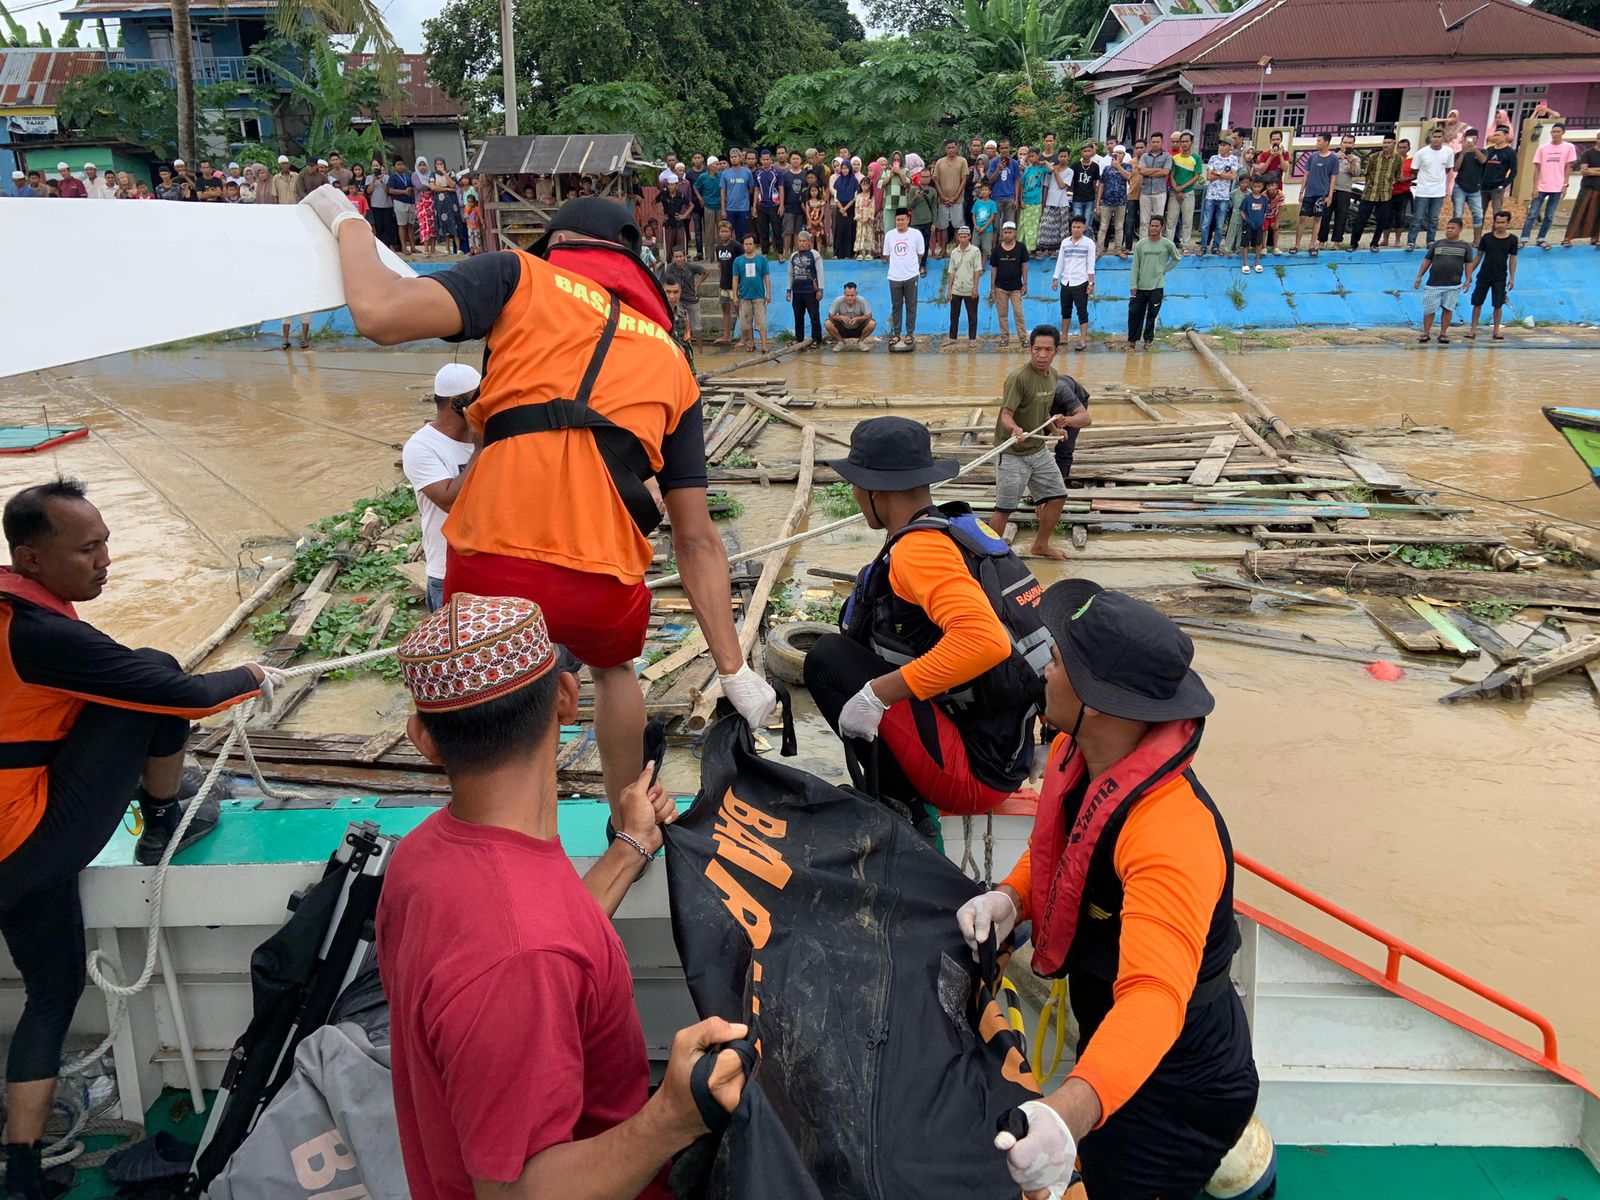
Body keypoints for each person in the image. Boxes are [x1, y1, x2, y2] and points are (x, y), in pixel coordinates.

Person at [303, 188, 776, 807]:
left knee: (502, 696)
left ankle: (506, 829)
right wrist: (734, 669)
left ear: (555, 248)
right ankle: (625, 818)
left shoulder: (518, 276)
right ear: (635, 264)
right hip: (603, 583)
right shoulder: (674, 360)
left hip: (490, 562)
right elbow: (695, 537)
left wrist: (347, 220)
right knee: (613, 672)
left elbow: (379, 314)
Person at [380, 594, 749, 1200]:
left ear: (423, 737)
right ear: (567, 699)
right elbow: (515, 1192)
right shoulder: (522, 957)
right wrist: (673, 1116)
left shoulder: (421, 858)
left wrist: (630, 846)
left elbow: (541, 934)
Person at [0, 482, 275, 1200]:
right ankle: (161, 818)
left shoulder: (12, 614)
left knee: (54, 991)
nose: (106, 561)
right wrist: (252, 675)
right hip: (24, 841)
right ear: (29, 557)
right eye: (88, 549)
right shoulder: (40, 633)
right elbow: (186, 699)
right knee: (155, 668)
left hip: (17, 842)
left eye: (107, 542)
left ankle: (22, 1171)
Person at [961, 579, 1258, 1200]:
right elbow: (1066, 859)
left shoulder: (1171, 834)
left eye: (1063, 659)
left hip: (1179, 1083)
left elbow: (1153, 998)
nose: (1045, 665)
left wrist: (1067, 1112)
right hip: (1111, 1043)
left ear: (1101, 701)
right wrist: (1012, 899)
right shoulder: (1079, 754)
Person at [803, 416, 1049, 834]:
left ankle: (906, 811)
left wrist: (876, 695)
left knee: (828, 658)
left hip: (973, 774)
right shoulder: (965, 532)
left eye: (855, 484)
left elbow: (986, 641)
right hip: (1009, 750)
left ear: (874, 489)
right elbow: (1039, 634)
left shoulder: (917, 551)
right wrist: (1052, 739)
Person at [988, 326, 1074, 561]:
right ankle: (989, 557)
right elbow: (1005, 414)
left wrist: (1054, 429)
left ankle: (1041, 545)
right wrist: (1014, 429)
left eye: (1047, 349)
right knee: (1004, 508)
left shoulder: (1053, 376)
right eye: (1037, 349)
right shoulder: (1018, 378)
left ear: (1056, 351)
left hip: (1037, 450)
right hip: (1012, 451)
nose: (1042, 355)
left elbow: (1044, 410)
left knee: (1058, 496)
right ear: (1030, 349)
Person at [403, 363, 481, 611]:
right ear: (457, 403)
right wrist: (480, 448)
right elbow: (449, 501)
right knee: (455, 648)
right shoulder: (422, 447)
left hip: (490, 564)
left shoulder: (488, 436)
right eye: (478, 398)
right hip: (448, 572)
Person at [1414, 217, 1474, 344]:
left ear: (1460, 230)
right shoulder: (1437, 244)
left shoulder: (1465, 246)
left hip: (1453, 284)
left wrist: (1468, 279)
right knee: (1429, 309)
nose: (1449, 230)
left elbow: (1468, 263)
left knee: (1448, 309)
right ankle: (1426, 333)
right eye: (1448, 228)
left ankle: (1443, 333)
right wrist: (1419, 276)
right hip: (1433, 284)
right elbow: (1427, 261)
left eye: (1453, 228)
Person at [1128, 217, 1180, 351]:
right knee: (1134, 313)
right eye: (1152, 226)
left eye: (1156, 226)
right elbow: (1135, 266)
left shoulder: (1167, 244)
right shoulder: (1141, 244)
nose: (1153, 228)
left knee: (1152, 315)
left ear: (1161, 227)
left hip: (1157, 286)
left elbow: (1176, 259)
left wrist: (1164, 270)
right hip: (1140, 286)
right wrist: (1133, 284)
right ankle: (1132, 341)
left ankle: (1148, 341)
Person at [1466, 209, 1518, 340]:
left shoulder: (1512, 240)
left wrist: (1512, 278)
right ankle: (1473, 329)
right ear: (1494, 223)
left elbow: (1512, 259)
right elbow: (1478, 256)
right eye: (1497, 222)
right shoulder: (1487, 238)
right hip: (1484, 275)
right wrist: (1469, 273)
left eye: (1503, 222)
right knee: (1477, 302)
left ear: (1508, 223)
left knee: (1498, 304)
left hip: (1500, 276)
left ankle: (1496, 330)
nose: (1500, 225)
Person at [1524, 125, 1577, 247]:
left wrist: (1565, 184)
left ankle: (1541, 238)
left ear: (1563, 133)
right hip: (1542, 185)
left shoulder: (1569, 147)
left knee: (1549, 215)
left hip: (1557, 186)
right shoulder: (1543, 148)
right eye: (1553, 131)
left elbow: (1568, 167)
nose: (1555, 134)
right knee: (1532, 213)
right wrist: (1535, 186)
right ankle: (1524, 238)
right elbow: (1537, 168)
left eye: (1558, 131)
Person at [1050, 215, 1095, 351]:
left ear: (1084, 228)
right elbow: (1060, 261)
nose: (1076, 230)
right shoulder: (1065, 242)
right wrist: (1055, 278)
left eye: (1079, 227)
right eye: (1074, 227)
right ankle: (1064, 337)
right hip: (1066, 281)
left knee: (1082, 311)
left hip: (1081, 281)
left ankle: (1082, 339)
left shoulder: (1089, 244)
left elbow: (1090, 264)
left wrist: (1091, 283)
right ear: (1071, 228)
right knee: (1065, 310)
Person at [883, 208, 925, 348]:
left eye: (902, 220)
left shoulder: (916, 234)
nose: (900, 222)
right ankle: (896, 333)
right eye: (898, 220)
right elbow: (887, 256)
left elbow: (920, 254)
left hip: (911, 275)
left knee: (911, 306)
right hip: (894, 276)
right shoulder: (889, 235)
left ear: (908, 220)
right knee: (896, 306)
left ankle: (910, 333)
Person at [1352, 135, 1403, 251]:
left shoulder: (1398, 159)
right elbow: (1367, 173)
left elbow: (1397, 176)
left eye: (1388, 142)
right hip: (1370, 193)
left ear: (1394, 143)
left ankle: (1374, 243)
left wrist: (1389, 185)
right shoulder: (1374, 157)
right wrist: (1368, 186)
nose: (1385, 145)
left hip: (1385, 195)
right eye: (1384, 142)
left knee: (1381, 221)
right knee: (1361, 219)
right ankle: (1353, 243)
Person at [1408, 127, 1453, 250]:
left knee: (1433, 218)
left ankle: (1430, 241)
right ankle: (1411, 241)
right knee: (1418, 217)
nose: (1436, 139)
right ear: (1430, 138)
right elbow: (1414, 169)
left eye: (1439, 137)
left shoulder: (1448, 152)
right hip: (1423, 190)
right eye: (1434, 136)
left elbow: (1448, 169)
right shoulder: (1422, 152)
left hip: (1438, 191)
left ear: (1443, 138)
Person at [1293, 134, 1338, 254]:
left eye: (1319, 141)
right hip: (1309, 193)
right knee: (1302, 218)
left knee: (1318, 219)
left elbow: (1333, 178)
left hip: (1321, 194)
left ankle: (1312, 245)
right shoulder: (1312, 156)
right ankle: (1297, 245)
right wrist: (1301, 191)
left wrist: (1330, 196)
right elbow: (1306, 174)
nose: (1317, 143)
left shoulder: (1333, 158)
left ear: (1326, 142)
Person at [988, 220, 1029, 348]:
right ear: (1002, 233)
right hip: (1000, 287)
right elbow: (994, 268)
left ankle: (1023, 338)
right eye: (1005, 232)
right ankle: (1004, 338)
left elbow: (1024, 266)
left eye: (1010, 232)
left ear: (1015, 233)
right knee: (1002, 314)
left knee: (1018, 313)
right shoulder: (997, 249)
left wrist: (1025, 284)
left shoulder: (1021, 248)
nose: (1007, 235)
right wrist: (992, 286)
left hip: (1016, 287)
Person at [942, 225, 984, 345]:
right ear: (957, 237)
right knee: (954, 315)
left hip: (970, 288)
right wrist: (949, 289)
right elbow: (952, 271)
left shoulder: (975, 251)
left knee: (972, 315)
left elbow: (977, 270)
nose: (963, 239)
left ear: (969, 237)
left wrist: (975, 288)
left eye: (965, 236)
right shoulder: (954, 252)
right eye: (961, 236)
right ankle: (952, 337)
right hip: (956, 289)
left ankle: (972, 339)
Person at [1198, 135, 1239, 256]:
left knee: (1220, 225)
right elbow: (1209, 176)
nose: (1221, 147)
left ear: (1230, 147)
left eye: (1224, 145)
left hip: (1224, 197)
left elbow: (1233, 176)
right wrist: (1223, 174)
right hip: (1211, 195)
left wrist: (1218, 172)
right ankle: (1203, 246)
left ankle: (1216, 247)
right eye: (1220, 144)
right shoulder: (1213, 158)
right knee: (1206, 223)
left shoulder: (1233, 160)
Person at [1049, 373, 1092, 486]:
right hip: (1051, 409)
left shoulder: (1061, 390)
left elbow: (1086, 419)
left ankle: (1058, 486)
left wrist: (1066, 421)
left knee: (1064, 445)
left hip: (1075, 407)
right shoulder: (1029, 392)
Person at [732, 233, 771, 354]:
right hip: (744, 296)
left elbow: (766, 277)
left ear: (754, 245)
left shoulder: (761, 259)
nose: (748, 246)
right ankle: (752, 343)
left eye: (750, 244)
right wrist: (735, 295)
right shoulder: (738, 261)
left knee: (761, 322)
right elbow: (735, 279)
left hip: (759, 296)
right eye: (746, 244)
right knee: (746, 322)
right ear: (743, 245)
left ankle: (764, 345)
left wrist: (768, 293)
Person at [658, 246, 706, 344]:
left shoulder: (691, 267)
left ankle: (701, 351)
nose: (679, 259)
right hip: (678, 300)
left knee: (697, 327)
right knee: (678, 324)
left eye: (680, 256)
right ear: (673, 257)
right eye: (676, 256)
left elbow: (705, 271)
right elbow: (667, 282)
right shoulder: (670, 268)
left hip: (692, 299)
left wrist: (698, 283)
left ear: (684, 256)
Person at [786, 229, 826, 347]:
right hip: (797, 291)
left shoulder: (815, 254)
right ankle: (799, 338)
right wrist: (789, 291)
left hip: (810, 292)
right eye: (799, 241)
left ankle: (817, 339)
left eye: (804, 241)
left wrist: (820, 289)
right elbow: (789, 274)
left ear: (809, 242)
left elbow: (820, 273)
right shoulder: (793, 256)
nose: (802, 243)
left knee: (814, 316)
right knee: (798, 316)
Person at [932, 139, 969, 258]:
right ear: (945, 149)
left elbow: (964, 180)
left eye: (953, 147)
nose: (951, 150)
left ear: (956, 148)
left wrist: (955, 196)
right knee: (943, 227)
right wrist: (942, 196)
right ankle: (943, 250)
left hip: (957, 200)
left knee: (957, 227)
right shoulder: (940, 162)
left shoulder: (962, 161)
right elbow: (936, 180)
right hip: (942, 201)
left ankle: (957, 250)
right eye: (949, 148)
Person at [1321, 134, 1359, 248]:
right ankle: (1321, 241)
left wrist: (1351, 162)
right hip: (1329, 190)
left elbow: (1356, 173)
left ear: (1353, 145)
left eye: (1350, 143)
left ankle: (1336, 242)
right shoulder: (1332, 156)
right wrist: (1337, 158)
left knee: (1341, 216)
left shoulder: (1356, 158)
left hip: (1344, 190)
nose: (1347, 145)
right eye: (1345, 142)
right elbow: (1324, 170)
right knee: (1325, 216)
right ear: (1341, 143)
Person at [1561, 138, 1600, 247]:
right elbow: (1584, 171)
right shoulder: (1588, 153)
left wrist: (1592, 170)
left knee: (1597, 215)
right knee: (1579, 212)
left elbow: (1588, 170)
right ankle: (1568, 238)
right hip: (1588, 187)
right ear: (1597, 139)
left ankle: (1595, 238)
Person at [1167, 133, 1202, 245]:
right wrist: (1176, 189)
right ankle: (1169, 245)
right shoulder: (1175, 158)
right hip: (1174, 193)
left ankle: (1185, 245)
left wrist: (1181, 188)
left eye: (1187, 141)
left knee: (1187, 221)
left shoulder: (1196, 158)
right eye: (1182, 141)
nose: (1184, 144)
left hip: (1188, 193)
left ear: (1192, 142)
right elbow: (1171, 175)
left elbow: (1196, 176)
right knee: (1171, 221)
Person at [710, 219, 741, 346]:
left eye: (726, 231)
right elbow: (720, 266)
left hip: (735, 285)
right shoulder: (718, 248)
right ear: (719, 233)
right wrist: (720, 281)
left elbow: (742, 264)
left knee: (739, 310)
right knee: (725, 309)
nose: (724, 233)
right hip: (723, 285)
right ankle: (726, 335)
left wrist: (739, 284)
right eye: (722, 231)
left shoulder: (737, 246)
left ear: (731, 233)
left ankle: (745, 337)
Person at [1451, 129, 1486, 238]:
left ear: (1477, 139)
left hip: (1475, 188)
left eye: (1473, 138)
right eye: (1468, 138)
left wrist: (1474, 149)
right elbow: (1455, 169)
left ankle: (1477, 240)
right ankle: (1454, 238)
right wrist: (1462, 152)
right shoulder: (1458, 154)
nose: (1470, 140)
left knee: (1478, 215)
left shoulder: (1483, 151)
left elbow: (1483, 161)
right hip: (1460, 187)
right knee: (1457, 214)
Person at [1098, 146, 1131, 258]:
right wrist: (1098, 202)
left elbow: (1128, 176)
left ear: (1123, 155)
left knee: (1119, 227)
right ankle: (1099, 250)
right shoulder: (1107, 169)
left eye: (1120, 153)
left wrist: (1118, 167)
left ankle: (1117, 250)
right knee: (1103, 227)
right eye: (1115, 153)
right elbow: (1101, 185)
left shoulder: (1127, 166)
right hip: (1107, 202)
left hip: (1121, 202)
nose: (1117, 155)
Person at [1137, 133, 1172, 235]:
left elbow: (1165, 172)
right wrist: (1158, 169)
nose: (1155, 144)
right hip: (1145, 192)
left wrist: (1148, 170)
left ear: (1162, 142)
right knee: (1144, 221)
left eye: (1157, 142)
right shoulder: (1144, 156)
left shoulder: (1167, 156)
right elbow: (1141, 171)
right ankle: (1143, 244)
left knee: (1158, 221)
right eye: (1153, 142)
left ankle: (1157, 243)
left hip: (1160, 192)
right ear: (1150, 143)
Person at [825, 281, 877, 350]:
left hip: (858, 328)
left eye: (852, 295)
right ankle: (841, 342)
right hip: (843, 329)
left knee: (872, 323)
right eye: (847, 295)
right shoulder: (838, 300)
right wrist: (840, 317)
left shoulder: (862, 301)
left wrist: (858, 319)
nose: (849, 298)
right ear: (844, 294)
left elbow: (869, 316)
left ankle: (860, 342)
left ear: (856, 294)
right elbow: (830, 315)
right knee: (827, 323)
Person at [753, 149, 784, 257]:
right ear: (760, 160)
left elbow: (781, 189)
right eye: (763, 159)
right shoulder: (757, 172)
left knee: (777, 231)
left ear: (771, 160)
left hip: (774, 206)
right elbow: (756, 189)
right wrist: (754, 206)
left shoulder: (777, 173)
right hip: (762, 206)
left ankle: (780, 253)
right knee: (763, 232)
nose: (765, 161)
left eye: (767, 159)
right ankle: (765, 253)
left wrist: (781, 205)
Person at [1479, 127, 1517, 216]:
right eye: (1495, 135)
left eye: (1498, 135)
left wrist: (1503, 185)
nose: (1496, 137)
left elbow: (1514, 171)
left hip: (1497, 188)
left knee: (1497, 213)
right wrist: (1480, 182)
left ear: (1505, 136)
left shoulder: (1510, 152)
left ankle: (1496, 230)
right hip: (1484, 187)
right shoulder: (1489, 150)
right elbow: (1482, 167)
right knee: (1479, 213)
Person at [720, 149, 754, 243]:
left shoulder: (747, 172)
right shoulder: (725, 173)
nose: (733, 159)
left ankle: (742, 253)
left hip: (743, 208)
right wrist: (723, 208)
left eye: (735, 157)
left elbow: (751, 189)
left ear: (740, 158)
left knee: (743, 233)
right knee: (729, 233)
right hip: (730, 208)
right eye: (731, 157)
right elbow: (723, 191)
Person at [1239, 178, 1270, 274]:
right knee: (1245, 244)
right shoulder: (1247, 199)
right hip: (1248, 225)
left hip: (1259, 225)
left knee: (1258, 244)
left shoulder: (1264, 199)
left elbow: (1265, 212)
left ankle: (1257, 262)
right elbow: (1241, 212)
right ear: (1251, 186)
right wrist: (1247, 220)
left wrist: (1262, 221)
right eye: (1255, 186)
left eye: (1259, 186)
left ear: (1262, 187)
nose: (1257, 188)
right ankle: (1245, 263)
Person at [831, 158, 860, 259]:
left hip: (850, 208)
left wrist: (845, 209)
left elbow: (854, 198)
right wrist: (841, 209)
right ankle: (837, 253)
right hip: (840, 207)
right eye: (843, 168)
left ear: (850, 169)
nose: (844, 170)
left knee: (849, 230)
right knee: (839, 230)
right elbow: (835, 197)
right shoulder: (838, 181)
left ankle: (848, 254)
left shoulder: (854, 181)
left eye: (846, 168)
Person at [694, 156, 721, 260]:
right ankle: (709, 256)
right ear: (710, 166)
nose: (718, 166)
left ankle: (720, 255)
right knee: (709, 231)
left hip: (719, 206)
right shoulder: (703, 177)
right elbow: (695, 187)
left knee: (720, 231)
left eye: (719, 164)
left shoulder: (721, 176)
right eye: (716, 164)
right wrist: (700, 198)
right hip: (708, 206)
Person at [782, 151, 809, 256]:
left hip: (801, 208)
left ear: (801, 160)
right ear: (790, 160)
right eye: (793, 158)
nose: (795, 160)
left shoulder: (805, 174)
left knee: (798, 231)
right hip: (788, 207)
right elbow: (782, 191)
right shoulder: (785, 175)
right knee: (788, 231)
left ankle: (798, 252)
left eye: (797, 158)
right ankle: (786, 252)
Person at [388, 156, 417, 254]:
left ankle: (413, 247)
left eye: (402, 164)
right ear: (394, 166)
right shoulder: (393, 176)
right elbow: (390, 190)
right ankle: (404, 247)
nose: (400, 167)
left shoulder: (408, 175)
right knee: (402, 225)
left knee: (410, 225)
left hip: (410, 202)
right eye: (398, 165)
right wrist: (404, 192)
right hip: (399, 202)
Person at [988, 141, 1019, 225]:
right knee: (995, 224)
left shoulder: (1015, 163)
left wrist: (1016, 199)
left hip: (1010, 197)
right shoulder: (994, 162)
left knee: (1009, 224)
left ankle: (1005, 238)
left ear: (1010, 148)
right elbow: (990, 180)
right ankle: (996, 238)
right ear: (999, 149)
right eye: (1002, 148)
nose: (1004, 150)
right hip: (996, 197)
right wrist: (998, 169)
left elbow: (1016, 181)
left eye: (1006, 148)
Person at [1070, 142, 1100, 229]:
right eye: (1084, 151)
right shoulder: (1075, 166)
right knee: (1077, 223)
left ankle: (1085, 241)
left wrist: (1095, 195)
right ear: (1081, 152)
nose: (1086, 153)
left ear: (1092, 152)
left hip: (1089, 199)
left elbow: (1095, 183)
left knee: (1087, 225)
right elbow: (1072, 183)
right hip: (1077, 199)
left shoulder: (1095, 167)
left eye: (1088, 151)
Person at [972, 182, 998, 259]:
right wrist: (975, 226)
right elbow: (973, 215)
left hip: (987, 229)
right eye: (982, 190)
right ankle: (976, 266)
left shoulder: (992, 203)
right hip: (977, 229)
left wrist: (984, 227)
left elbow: (992, 217)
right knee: (974, 248)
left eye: (986, 190)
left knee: (986, 249)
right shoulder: (977, 202)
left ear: (990, 192)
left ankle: (982, 267)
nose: (984, 191)